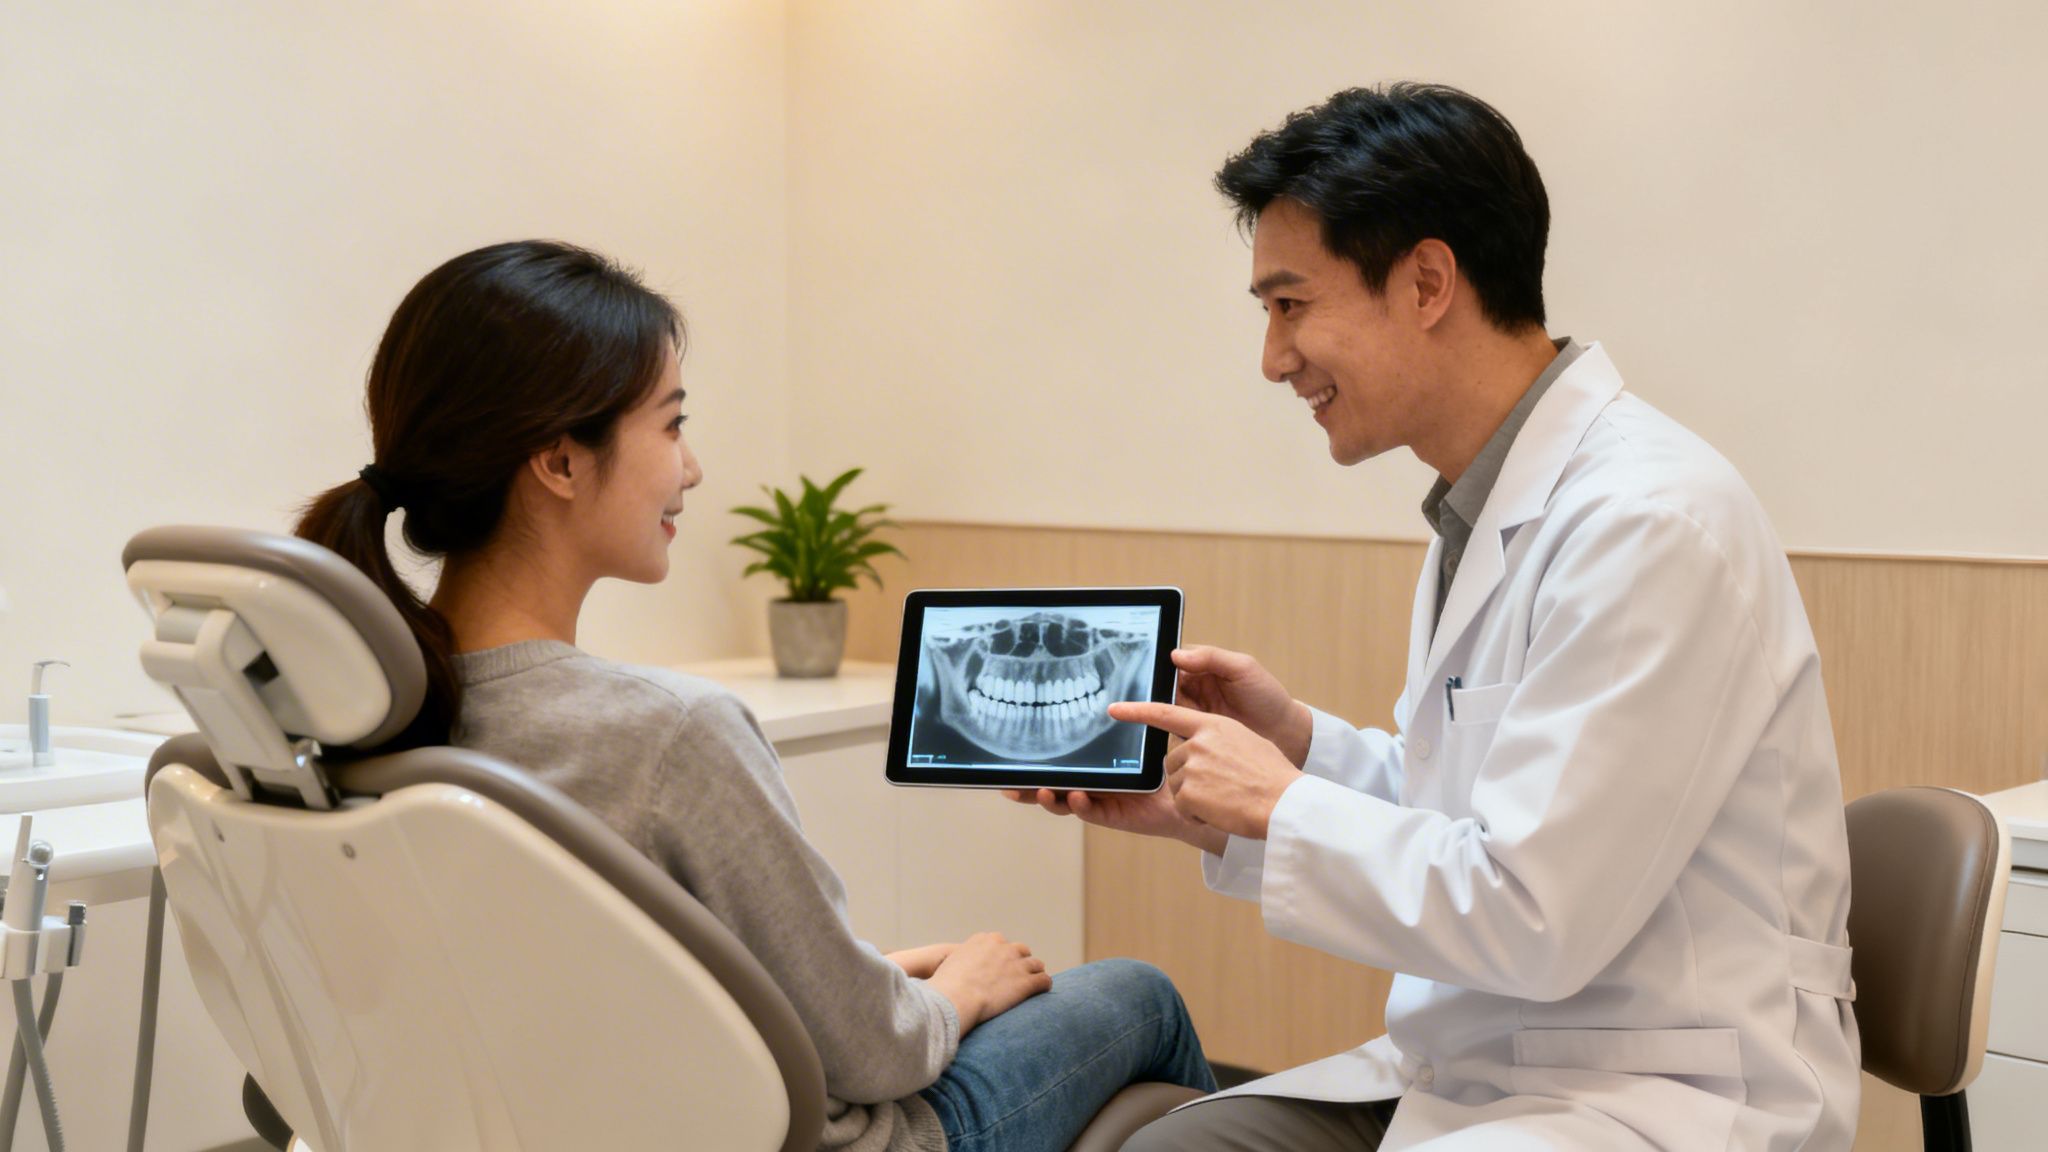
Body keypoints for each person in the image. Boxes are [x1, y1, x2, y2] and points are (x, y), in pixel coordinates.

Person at [1013, 84, 1859, 1150]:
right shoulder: (1483, 507)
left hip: (1661, 1083)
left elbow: (1533, 915)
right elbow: (1466, 818)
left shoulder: (1650, 522)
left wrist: (1277, 805)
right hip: (1487, 1063)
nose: (1273, 360)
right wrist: (1280, 761)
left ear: (1423, 282)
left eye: (1289, 305)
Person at [295, 239, 1214, 1152]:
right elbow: (873, 1057)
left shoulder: (343, 724)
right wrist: (956, 990)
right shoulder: (667, 735)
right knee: (1140, 995)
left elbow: (581, 999)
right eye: (671, 425)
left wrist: (873, 977)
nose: (690, 469)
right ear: (561, 462)